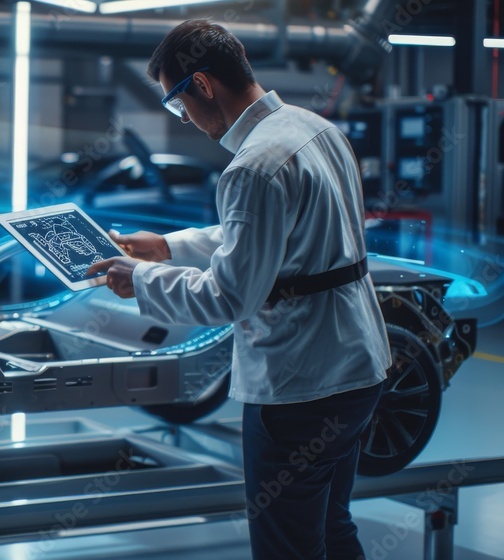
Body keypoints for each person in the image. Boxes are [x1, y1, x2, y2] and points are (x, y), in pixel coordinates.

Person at [87, 19, 393, 560]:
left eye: (178, 104)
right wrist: (167, 246)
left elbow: (229, 296)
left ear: (203, 85)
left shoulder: (252, 167)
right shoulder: (316, 130)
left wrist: (140, 278)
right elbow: (274, 237)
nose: (185, 118)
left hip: (300, 385)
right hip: (358, 367)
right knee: (332, 526)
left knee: (287, 547)